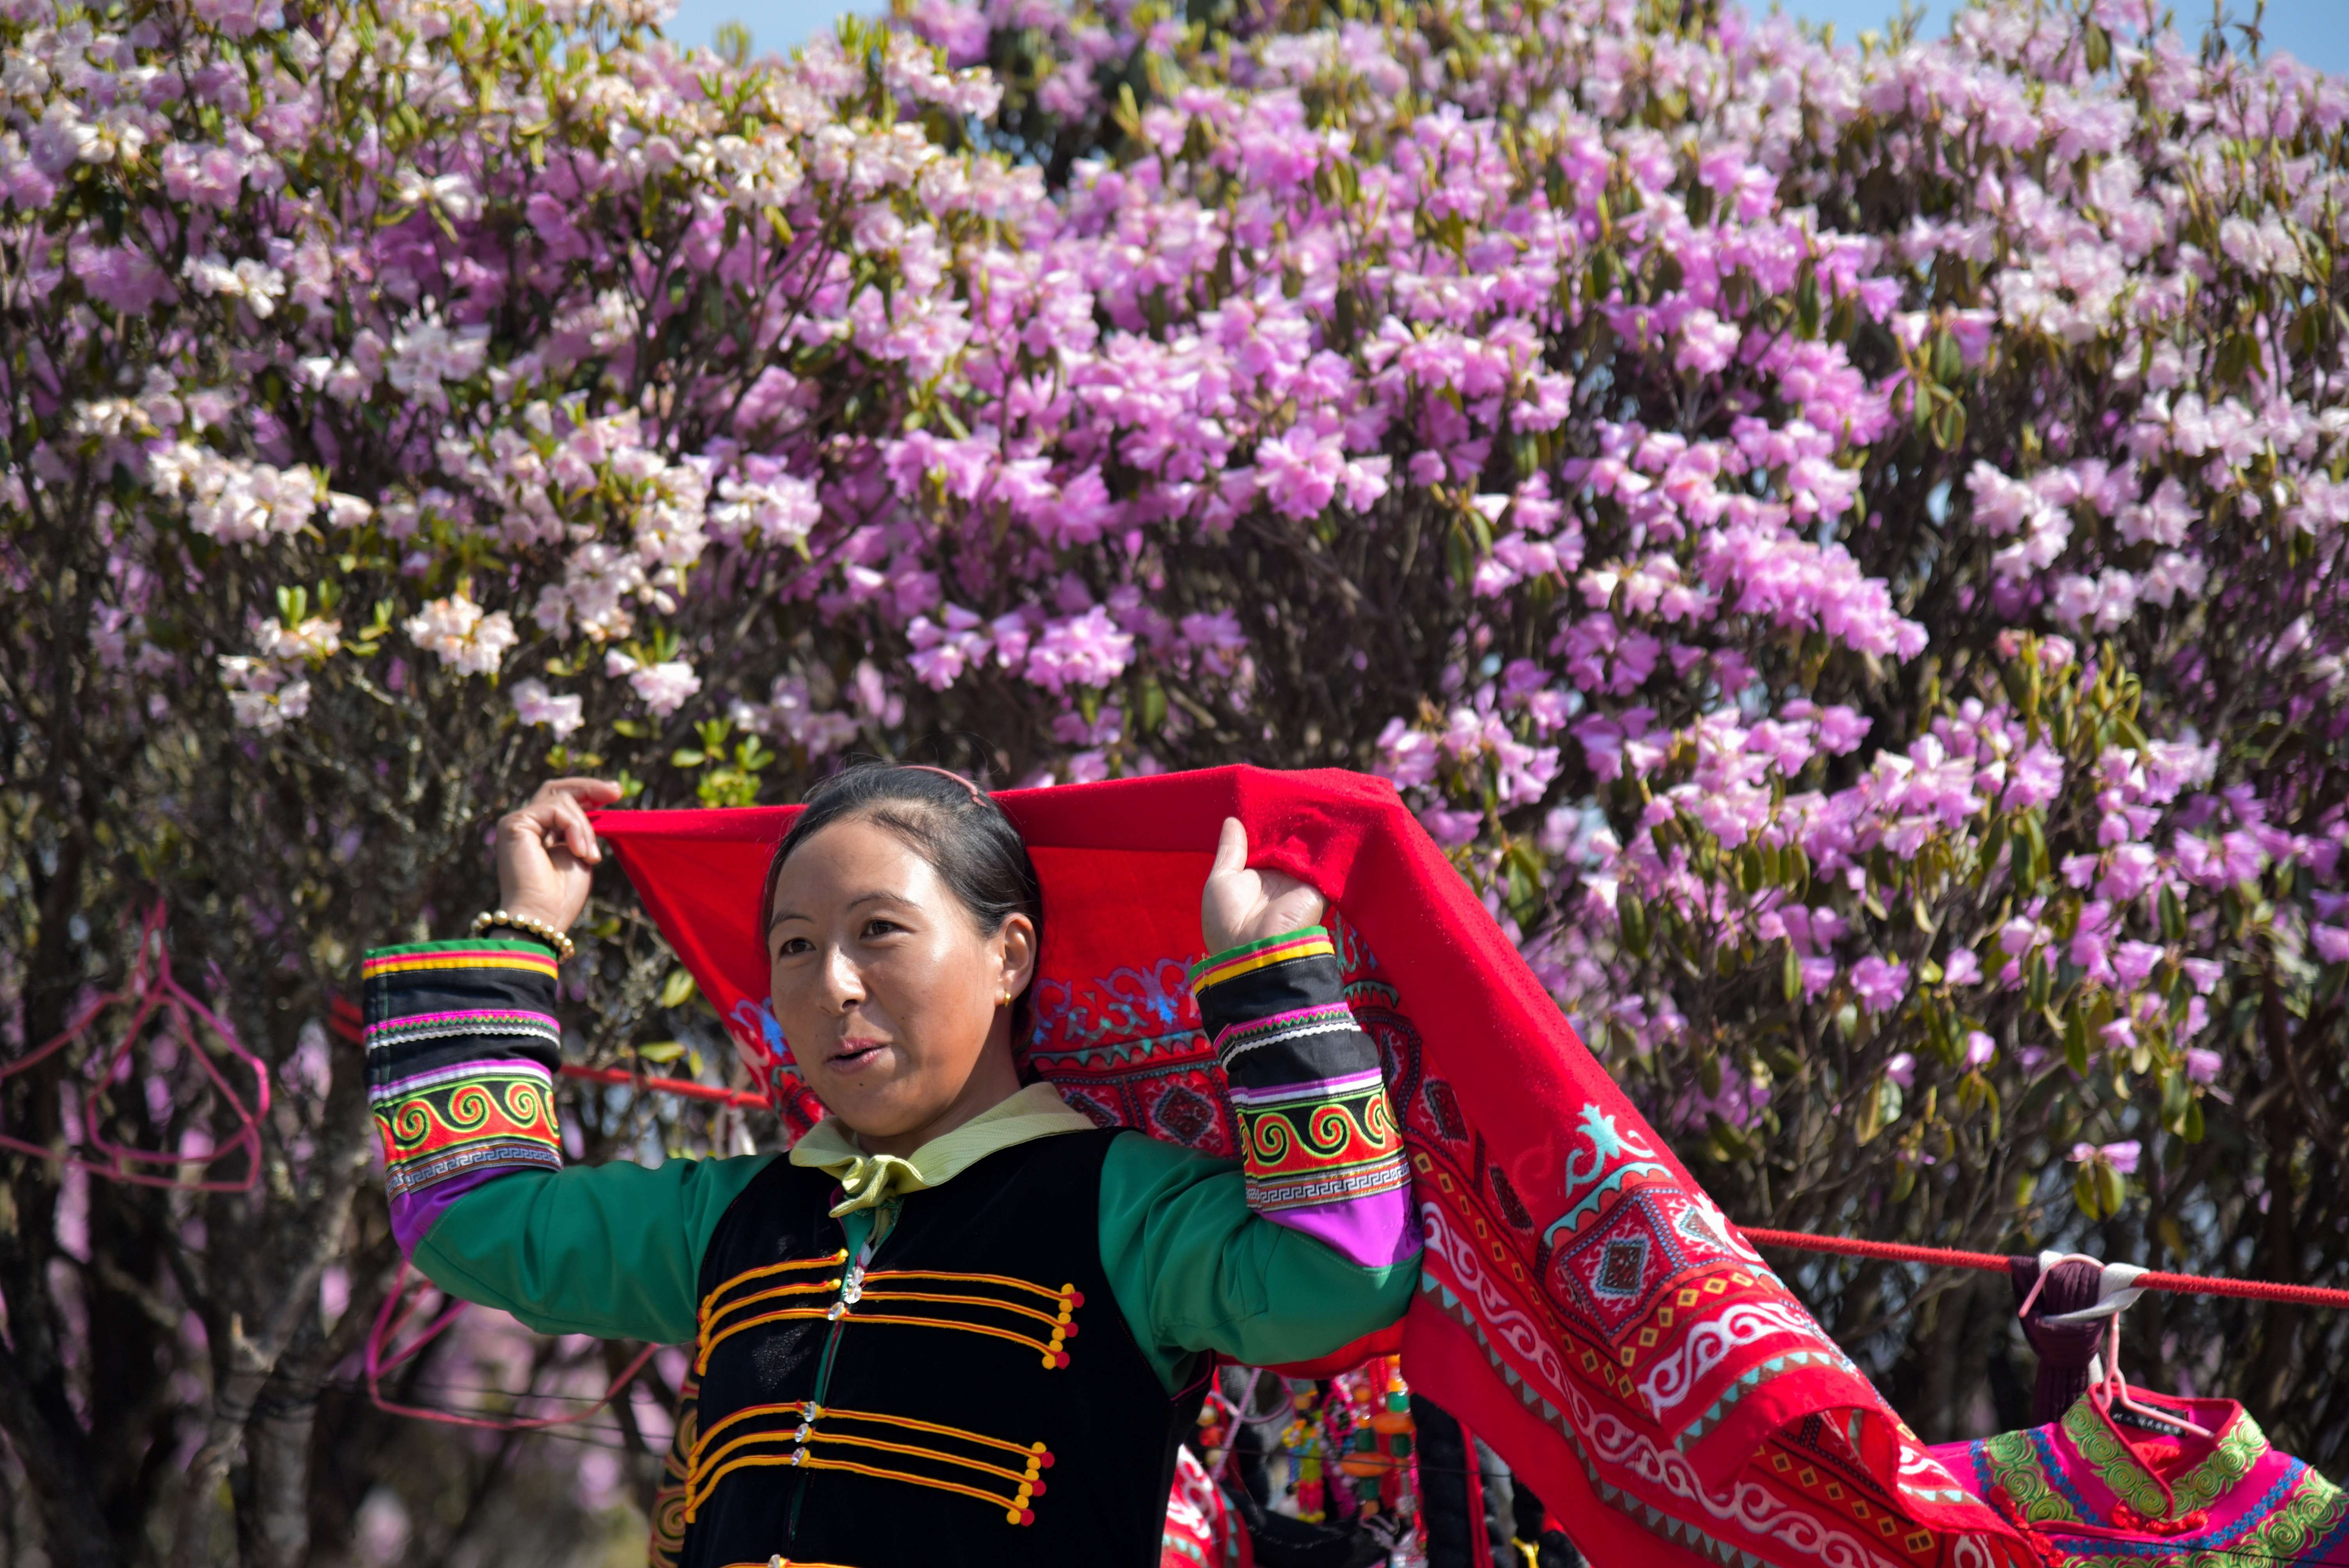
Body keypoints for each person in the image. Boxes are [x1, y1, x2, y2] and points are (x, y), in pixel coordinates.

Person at [364, 765, 1421, 1568]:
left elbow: (1340, 1278)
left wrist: (1268, 986)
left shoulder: (1121, 1204)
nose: (832, 983)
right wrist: (525, 928)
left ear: (1009, 955)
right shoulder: (735, 1218)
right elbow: (470, 1218)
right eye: (793, 946)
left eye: (879, 931)